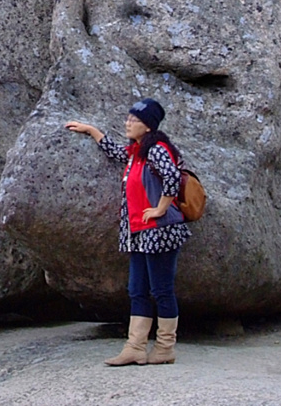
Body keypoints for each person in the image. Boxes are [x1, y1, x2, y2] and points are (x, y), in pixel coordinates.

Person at [65, 98, 190, 365]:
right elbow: (116, 153)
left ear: (147, 126)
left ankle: (165, 348)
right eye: (128, 118)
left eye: (133, 120)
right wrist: (92, 131)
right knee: (137, 290)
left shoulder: (156, 149)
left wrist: (160, 208)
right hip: (138, 232)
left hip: (160, 231)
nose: (128, 123)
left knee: (162, 290)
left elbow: (172, 176)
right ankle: (135, 347)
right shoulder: (137, 152)